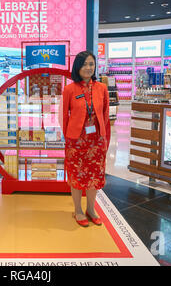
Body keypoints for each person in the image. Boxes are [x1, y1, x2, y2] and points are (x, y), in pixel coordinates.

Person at [60, 51, 111, 227]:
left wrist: (105, 138)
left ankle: (91, 209)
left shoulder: (102, 88)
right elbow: (64, 117)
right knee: (76, 176)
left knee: (94, 176)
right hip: (76, 141)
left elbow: (105, 115)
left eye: (91, 64)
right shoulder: (69, 89)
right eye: (84, 64)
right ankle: (78, 210)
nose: (88, 68)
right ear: (77, 67)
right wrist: (67, 137)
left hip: (96, 140)